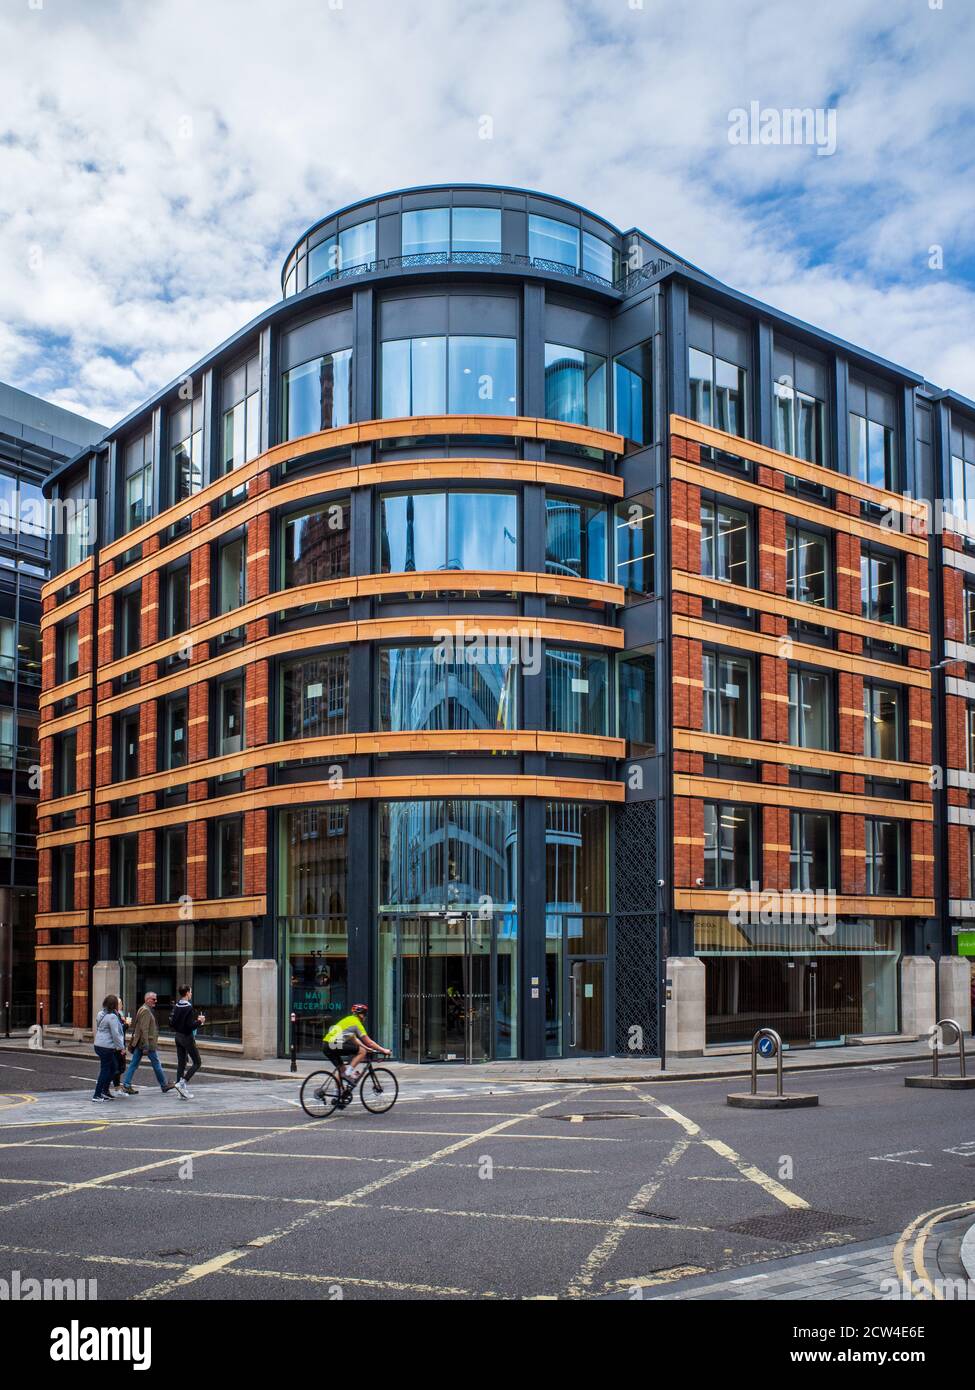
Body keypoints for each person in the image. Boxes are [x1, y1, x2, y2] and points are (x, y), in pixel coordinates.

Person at [323, 1004, 390, 1086]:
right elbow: (369, 1042)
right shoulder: (356, 1023)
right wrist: (383, 1050)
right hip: (334, 1044)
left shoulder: (348, 1020)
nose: (365, 1017)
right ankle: (349, 1073)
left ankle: (338, 1094)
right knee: (362, 1052)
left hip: (326, 1046)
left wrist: (367, 1048)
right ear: (361, 1015)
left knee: (341, 1071)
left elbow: (355, 1040)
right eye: (365, 1015)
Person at [122, 992, 175, 1095]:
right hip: (147, 1043)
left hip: (141, 1043)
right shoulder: (146, 1011)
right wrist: (146, 1045)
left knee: (134, 1064)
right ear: (147, 1000)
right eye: (153, 999)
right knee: (156, 1064)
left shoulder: (143, 1009)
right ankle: (164, 1085)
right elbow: (144, 1029)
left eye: (156, 999)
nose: (156, 1001)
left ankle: (126, 1085)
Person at [170, 985, 205, 1100]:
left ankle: (181, 1090)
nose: (191, 994)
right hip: (187, 1037)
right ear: (187, 993)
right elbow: (190, 1026)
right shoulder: (188, 1008)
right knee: (197, 1062)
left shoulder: (177, 1006)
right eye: (190, 992)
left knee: (181, 1063)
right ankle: (182, 1082)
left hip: (178, 1037)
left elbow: (173, 1023)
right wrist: (199, 1022)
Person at [92, 994, 125, 1102]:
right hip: (106, 1046)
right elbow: (115, 1034)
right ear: (114, 1004)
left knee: (113, 1068)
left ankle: (104, 1091)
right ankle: (97, 1094)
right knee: (106, 1070)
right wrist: (121, 1047)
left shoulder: (101, 1013)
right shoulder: (112, 1016)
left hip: (99, 1045)